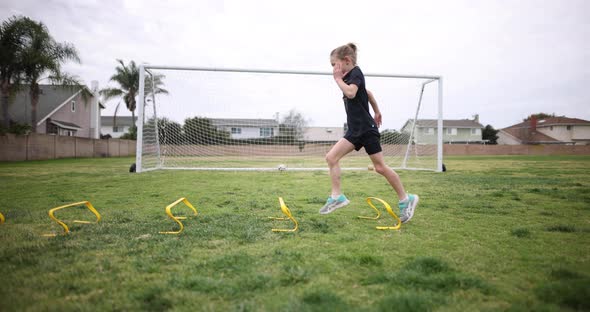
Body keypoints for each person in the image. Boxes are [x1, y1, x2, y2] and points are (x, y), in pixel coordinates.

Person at [319, 43, 419, 223]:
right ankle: (337, 197)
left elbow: (351, 93)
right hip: (355, 130)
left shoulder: (355, 73)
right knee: (331, 158)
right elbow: (368, 93)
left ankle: (406, 199)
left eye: (335, 64)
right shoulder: (350, 76)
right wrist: (377, 111)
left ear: (346, 61)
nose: (333, 69)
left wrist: (337, 80)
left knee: (380, 167)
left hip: (366, 130)